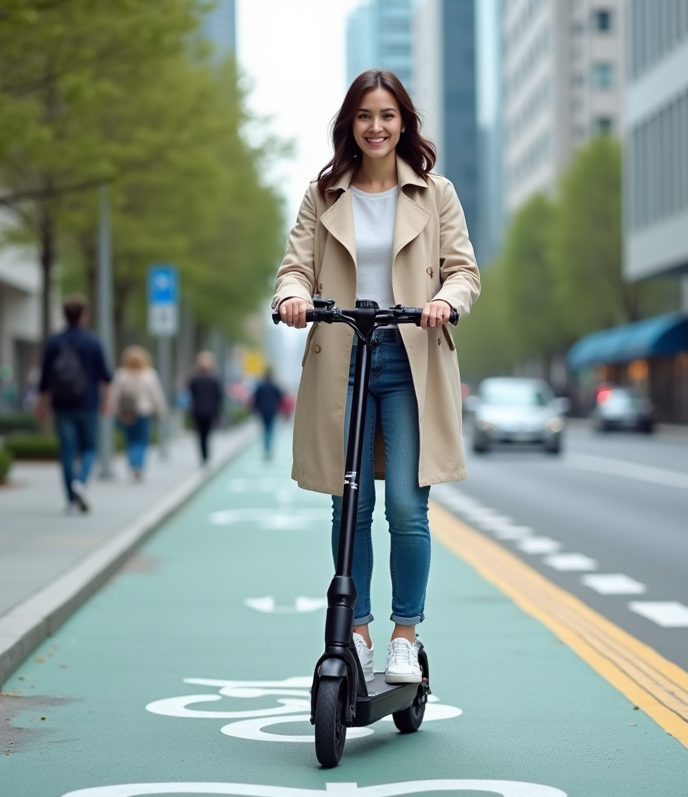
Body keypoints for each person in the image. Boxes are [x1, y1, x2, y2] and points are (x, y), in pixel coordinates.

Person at [273, 69, 480, 685]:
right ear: (350, 125)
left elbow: (463, 271)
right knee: (349, 506)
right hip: (343, 354)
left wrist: (446, 301)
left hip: (410, 355)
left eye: (388, 115)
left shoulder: (434, 194)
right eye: (365, 115)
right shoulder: (324, 193)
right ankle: (357, 633)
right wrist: (291, 298)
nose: (376, 127)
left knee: (406, 507)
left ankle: (404, 637)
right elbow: (295, 268)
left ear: (404, 123)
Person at [36, 295, 112, 513]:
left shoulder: (53, 341)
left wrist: (42, 404)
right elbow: (105, 377)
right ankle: (81, 481)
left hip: (62, 404)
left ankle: (70, 500)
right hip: (88, 403)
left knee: (67, 451)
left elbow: (44, 378)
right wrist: (107, 401)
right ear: (84, 316)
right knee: (89, 448)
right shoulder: (93, 341)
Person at [107, 345, 168, 482]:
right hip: (143, 413)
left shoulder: (121, 374)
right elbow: (156, 395)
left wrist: (114, 410)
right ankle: (138, 466)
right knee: (142, 441)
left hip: (127, 413)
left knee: (130, 440)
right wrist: (161, 411)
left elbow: (115, 395)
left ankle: (132, 465)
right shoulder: (149, 375)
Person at [188, 351, 223, 466]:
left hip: (198, 411)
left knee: (200, 435)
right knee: (207, 434)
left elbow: (190, 394)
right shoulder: (214, 379)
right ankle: (206, 456)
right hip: (210, 411)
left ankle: (204, 457)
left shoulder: (194, 379)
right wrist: (218, 412)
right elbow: (219, 397)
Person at [250, 368, 286, 461]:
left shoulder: (260, 387)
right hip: (272, 411)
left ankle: (266, 447)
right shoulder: (274, 386)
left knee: (265, 430)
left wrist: (255, 409)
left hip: (262, 411)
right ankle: (269, 447)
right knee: (270, 430)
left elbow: (255, 399)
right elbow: (281, 397)